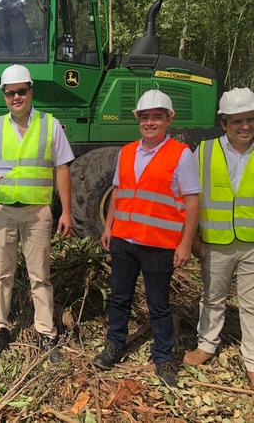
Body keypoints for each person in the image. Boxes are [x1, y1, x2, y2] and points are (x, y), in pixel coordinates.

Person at [93, 90, 200, 387]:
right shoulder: (126, 152)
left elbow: (192, 202)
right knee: (119, 297)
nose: (150, 122)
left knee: (158, 303)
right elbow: (118, 191)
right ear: (138, 120)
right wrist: (109, 227)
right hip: (124, 240)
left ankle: (164, 358)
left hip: (158, 244)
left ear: (168, 119)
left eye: (156, 116)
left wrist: (185, 243)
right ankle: (115, 344)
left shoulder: (181, 154)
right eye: (145, 117)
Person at [0, 64, 74, 362]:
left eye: (21, 91)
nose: (16, 97)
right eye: (10, 93)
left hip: (37, 212)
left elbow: (62, 167)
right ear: (4, 96)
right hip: (3, 210)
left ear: (31, 92)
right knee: (1, 274)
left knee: (40, 276)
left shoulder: (50, 125)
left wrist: (66, 211)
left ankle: (45, 332)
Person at [183, 87, 254, 389]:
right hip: (216, 240)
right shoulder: (206, 150)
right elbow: (192, 195)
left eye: (250, 119)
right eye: (237, 121)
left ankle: (252, 359)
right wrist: (194, 235)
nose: (246, 126)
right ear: (224, 123)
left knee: (252, 303)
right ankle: (207, 344)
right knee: (212, 297)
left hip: (252, 242)